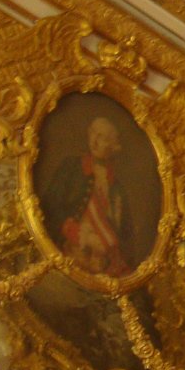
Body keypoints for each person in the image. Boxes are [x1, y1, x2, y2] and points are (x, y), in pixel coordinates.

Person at [41, 115, 136, 277]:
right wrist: (74, 232)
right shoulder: (71, 167)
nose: (95, 141)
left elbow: (126, 233)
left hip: (103, 262)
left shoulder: (117, 188)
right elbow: (50, 205)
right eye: (93, 133)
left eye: (103, 138)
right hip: (71, 251)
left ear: (113, 146)